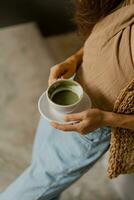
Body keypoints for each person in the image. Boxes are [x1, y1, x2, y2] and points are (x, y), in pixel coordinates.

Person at [1, 0, 134, 200]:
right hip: (69, 90)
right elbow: (111, 38)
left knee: (38, 183)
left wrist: (106, 119)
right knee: (41, 166)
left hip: (92, 123)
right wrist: (75, 59)